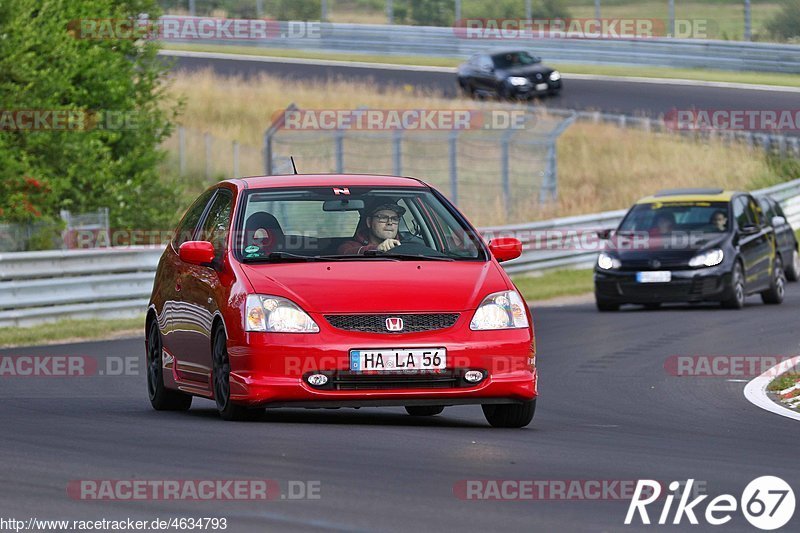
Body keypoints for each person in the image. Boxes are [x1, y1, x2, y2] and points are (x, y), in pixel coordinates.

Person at [338, 201, 406, 255]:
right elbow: (345, 252)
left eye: (394, 219)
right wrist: (377, 249)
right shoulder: (350, 246)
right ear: (369, 222)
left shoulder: (406, 245)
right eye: (383, 217)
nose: (390, 223)